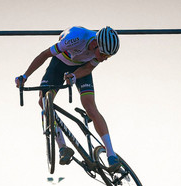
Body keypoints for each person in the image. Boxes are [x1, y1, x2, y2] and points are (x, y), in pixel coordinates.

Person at [15, 26, 121, 171]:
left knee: (90, 107)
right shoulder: (75, 38)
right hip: (58, 65)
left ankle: (111, 154)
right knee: (44, 101)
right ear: (96, 43)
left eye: (108, 57)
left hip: (82, 68)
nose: (104, 59)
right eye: (103, 55)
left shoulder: (99, 52)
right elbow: (45, 54)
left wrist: (75, 76)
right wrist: (25, 76)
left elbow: (88, 68)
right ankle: (62, 148)